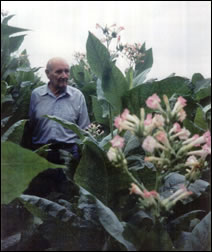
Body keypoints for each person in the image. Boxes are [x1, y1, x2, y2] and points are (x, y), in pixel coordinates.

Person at [27, 57, 90, 164]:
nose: (64, 76)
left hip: (68, 155)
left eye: (66, 71)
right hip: (40, 155)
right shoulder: (36, 95)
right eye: (59, 72)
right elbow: (29, 127)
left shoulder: (77, 96)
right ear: (47, 73)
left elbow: (85, 130)